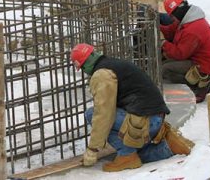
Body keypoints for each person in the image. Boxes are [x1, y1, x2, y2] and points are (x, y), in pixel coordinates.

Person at [70, 43, 194, 172]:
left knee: (92, 114)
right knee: (137, 153)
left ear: (84, 64)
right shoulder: (113, 64)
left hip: (147, 121)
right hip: (154, 117)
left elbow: (103, 114)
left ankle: (127, 155)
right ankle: (168, 145)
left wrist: (93, 149)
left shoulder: (102, 75)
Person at [160, 0, 210, 103]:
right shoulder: (187, 19)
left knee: (165, 69)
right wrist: (158, 28)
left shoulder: (193, 29)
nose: (173, 20)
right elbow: (171, 31)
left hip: (205, 66)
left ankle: (200, 85)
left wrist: (163, 43)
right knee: (165, 62)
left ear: (177, 13)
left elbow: (180, 54)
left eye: (173, 17)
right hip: (195, 58)